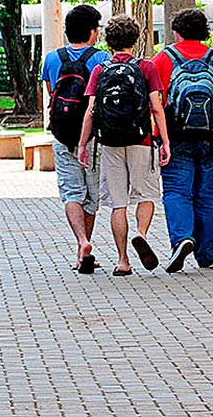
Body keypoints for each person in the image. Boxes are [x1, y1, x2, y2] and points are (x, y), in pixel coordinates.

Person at [151, 9, 213, 272]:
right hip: (212, 137)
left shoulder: (164, 58)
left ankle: (182, 239)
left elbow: (154, 102)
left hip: (176, 137)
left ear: (177, 32)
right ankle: (207, 254)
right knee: (207, 195)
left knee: (176, 191)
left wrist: (157, 135)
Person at [77, 15, 171, 276]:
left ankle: (122, 261)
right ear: (136, 39)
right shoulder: (146, 67)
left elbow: (91, 111)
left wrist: (83, 144)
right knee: (147, 194)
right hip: (141, 140)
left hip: (109, 142)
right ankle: (140, 233)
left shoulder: (100, 70)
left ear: (109, 40)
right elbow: (156, 107)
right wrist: (164, 141)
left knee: (118, 203)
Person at [40, 4, 110, 273]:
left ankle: (81, 242)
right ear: (93, 31)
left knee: (71, 192)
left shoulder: (52, 58)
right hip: (92, 137)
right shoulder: (100, 58)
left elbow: (50, 90)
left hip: (61, 134)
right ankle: (86, 246)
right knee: (91, 195)